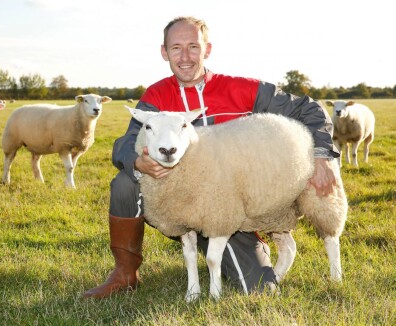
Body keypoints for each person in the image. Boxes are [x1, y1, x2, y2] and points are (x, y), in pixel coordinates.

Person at [83, 16, 339, 299]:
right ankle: (125, 273)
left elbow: (309, 109)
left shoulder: (242, 89)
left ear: (207, 49)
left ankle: (253, 241)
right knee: (125, 182)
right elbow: (126, 142)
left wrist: (322, 156)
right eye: (176, 47)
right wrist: (137, 161)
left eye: (194, 46)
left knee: (258, 289)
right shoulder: (157, 96)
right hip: (178, 201)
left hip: (231, 206)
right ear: (164, 52)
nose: (185, 56)